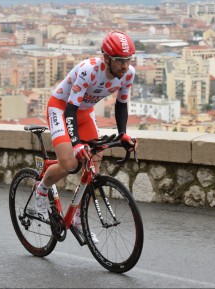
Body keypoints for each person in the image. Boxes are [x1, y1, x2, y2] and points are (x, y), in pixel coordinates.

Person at [34, 31, 139, 242]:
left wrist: (123, 135)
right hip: (62, 109)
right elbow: (70, 109)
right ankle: (42, 189)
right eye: (120, 61)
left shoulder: (128, 74)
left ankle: (78, 218)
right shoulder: (88, 70)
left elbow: (121, 104)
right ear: (107, 58)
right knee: (70, 164)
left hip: (85, 112)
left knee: (94, 165)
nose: (125, 66)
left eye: (128, 60)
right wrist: (75, 144)